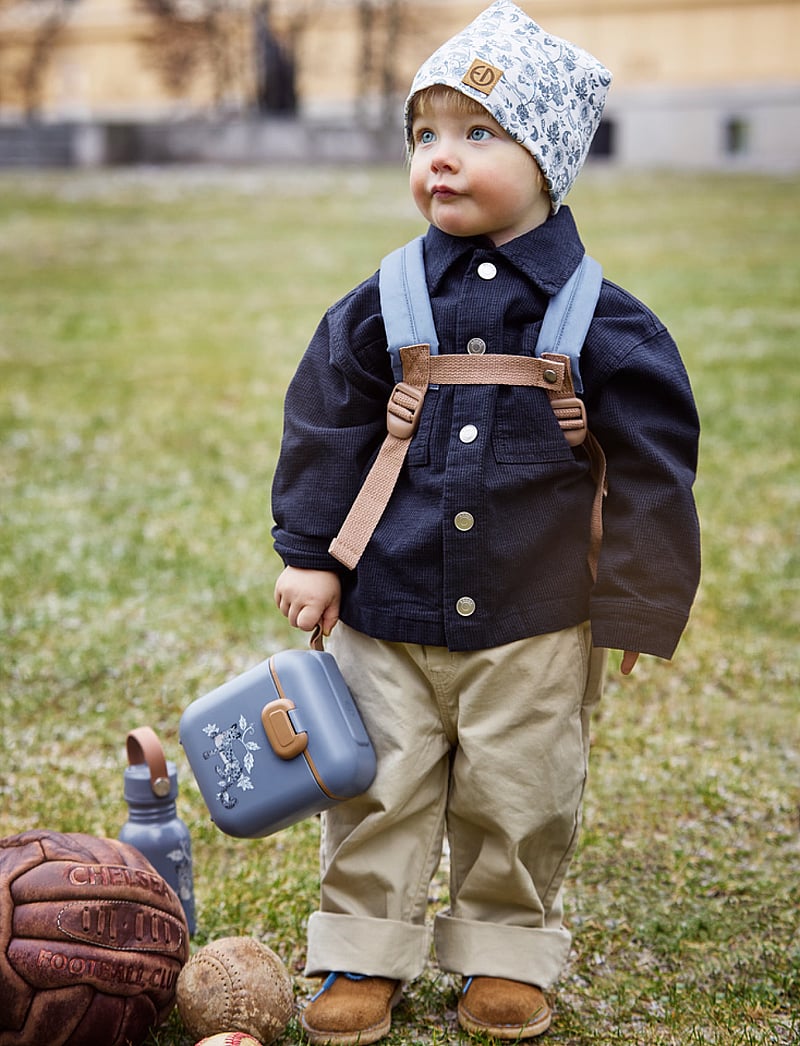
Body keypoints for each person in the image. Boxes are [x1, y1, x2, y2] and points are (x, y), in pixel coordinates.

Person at [271, 1, 701, 1040]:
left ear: (547, 158)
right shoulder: (380, 303)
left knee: (520, 791)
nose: (440, 159)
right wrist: (314, 556)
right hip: (387, 606)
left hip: (535, 614)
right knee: (377, 785)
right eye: (423, 135)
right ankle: (361, 953)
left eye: (477, 133)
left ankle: (504, 951)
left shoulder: (603, 318)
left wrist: (635, 602)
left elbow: (649, 467)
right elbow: (325, 427)